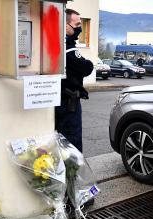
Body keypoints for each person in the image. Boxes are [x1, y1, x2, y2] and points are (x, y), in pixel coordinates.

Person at [55, 8, 94, 153]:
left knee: (62, 140)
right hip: (68, 102)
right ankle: (73, 174)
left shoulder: (59, 42)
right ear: (65, 26)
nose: (80, 29)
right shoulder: (67, 47)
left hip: (62, 100)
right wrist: (88, 63)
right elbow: (86, 67)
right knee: (72, 142)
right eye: (77, 25)